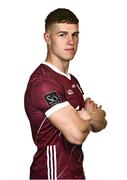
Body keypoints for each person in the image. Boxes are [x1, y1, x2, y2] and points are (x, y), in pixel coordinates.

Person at [24, 8, 107, 179]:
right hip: (52, 174)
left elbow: (101, 123)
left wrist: (85, 116)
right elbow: (76, 135)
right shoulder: (43, 82)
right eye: (62, 35)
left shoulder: (72, 80)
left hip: (75, 173)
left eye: (75, 35)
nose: (71, 41)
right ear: (47, 38)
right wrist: (87, 115)